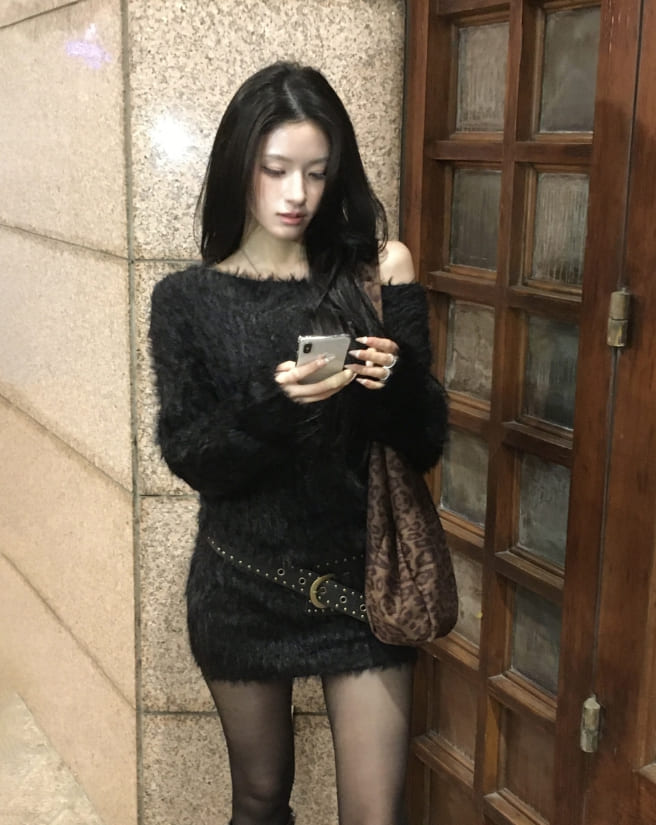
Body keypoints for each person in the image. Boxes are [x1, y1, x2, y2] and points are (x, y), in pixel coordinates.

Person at [149, 61, 448, 825]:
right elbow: (192, 456)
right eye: (276, 169)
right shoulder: (187, 298)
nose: (297, 194)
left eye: (316, 173)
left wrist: (392, 384)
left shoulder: (380, 272)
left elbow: (425, 443)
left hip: (361, 588)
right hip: (241, 583)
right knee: (259, 797)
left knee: (375, 814)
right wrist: (276, 402)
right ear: (238, 166)